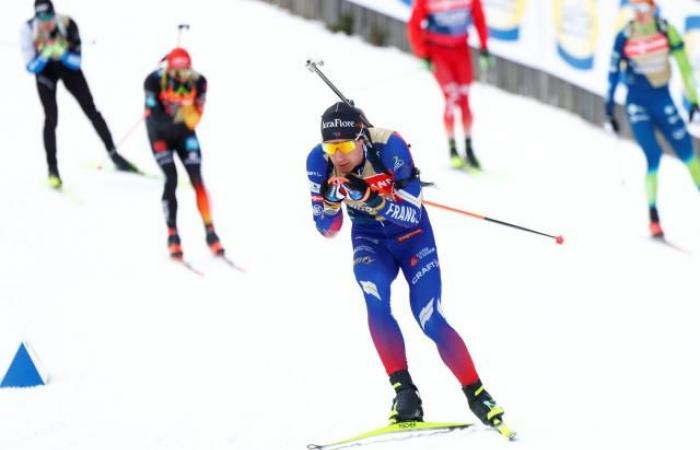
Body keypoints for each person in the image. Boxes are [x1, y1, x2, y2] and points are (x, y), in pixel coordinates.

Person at [306, 102, 508, 430]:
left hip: (413, 237)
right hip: (370, 240)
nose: (338, 157)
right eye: (331, 147)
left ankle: (477, 393)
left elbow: (412, 214)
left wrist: (370, 197)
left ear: (361, 139)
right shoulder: (319, 161)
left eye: (344, 146)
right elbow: (327, 229)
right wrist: (330, 201)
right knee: (376, 302)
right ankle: (405, 393)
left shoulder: (390, 147)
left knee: (429, 318)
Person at [606, 0, 700, 238]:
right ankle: (653, 217)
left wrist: (693, 102)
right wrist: (609, 109)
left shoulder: (666, 30)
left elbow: (685, 68)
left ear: (654, 8)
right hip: (637, 106)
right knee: (653, 157)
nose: (640, 15)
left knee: (689, 156)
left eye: (644, 9)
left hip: (663, 102)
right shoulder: (625, 35)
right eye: (635, 9)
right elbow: (613, 72)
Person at [20, 0, 137, 189]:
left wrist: (63, 53)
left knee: (91, 110)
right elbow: (30, 67)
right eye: (42, 18)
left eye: (50, 17)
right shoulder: (26, 30)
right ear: (36, 17)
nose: (47, 22)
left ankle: (114, 153)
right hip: (45, 73)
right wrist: (44, 55)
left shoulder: (67, 24)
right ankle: (52, 168)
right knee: (51, 117)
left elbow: (76, 61)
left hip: (68, 69)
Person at [144, 47, 225, 260]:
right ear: (168, 67)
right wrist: (179, 105)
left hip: (184, 134)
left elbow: (195, 118)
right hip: (159, 135)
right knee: (171, 178)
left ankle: (210, 230)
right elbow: (156, 116)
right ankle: (172, 234)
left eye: (185, 71)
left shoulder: (199, 82)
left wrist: (183, 108)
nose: (181, 76)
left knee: (197, 179)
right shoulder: (153, 81)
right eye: (176, 71)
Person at [407, 0, 494, 170]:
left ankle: (469, 148)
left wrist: (484, 48)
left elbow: (479, 18)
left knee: (464, 98)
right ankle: (453, 148)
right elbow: (414, 25)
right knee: (451, 97)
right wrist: (422, 54)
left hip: (461, 50)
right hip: (438, 50)